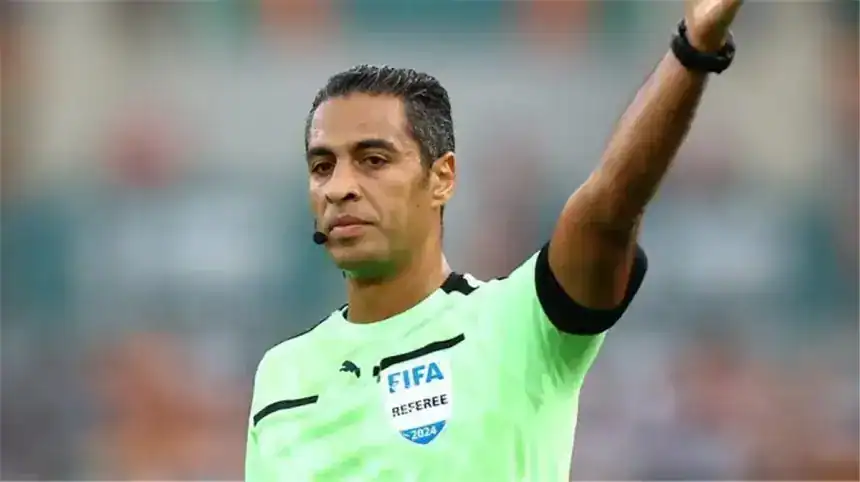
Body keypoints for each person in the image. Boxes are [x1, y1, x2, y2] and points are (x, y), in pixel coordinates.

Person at [245, 0, 744, 480]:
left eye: (373, 160)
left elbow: (610, 206)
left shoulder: (518, 324)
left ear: (442, 177)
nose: (340, 187)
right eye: (322, 166)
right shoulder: (282, 376)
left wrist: (693, 50)